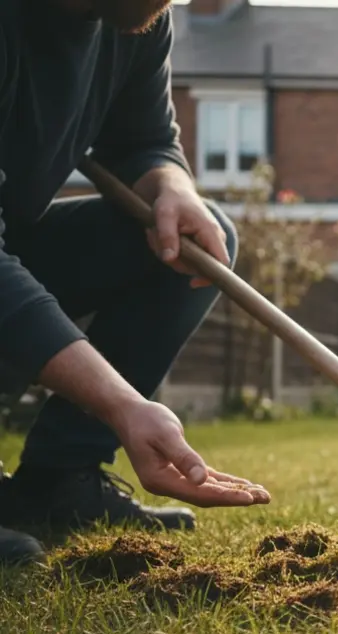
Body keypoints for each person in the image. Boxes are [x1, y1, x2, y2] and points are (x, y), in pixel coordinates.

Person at [0, 0, 272, 566]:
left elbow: (146, 140)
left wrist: (171, 185)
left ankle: (59, 478)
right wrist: (121, 402)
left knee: (197, 241)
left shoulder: (135, 18)